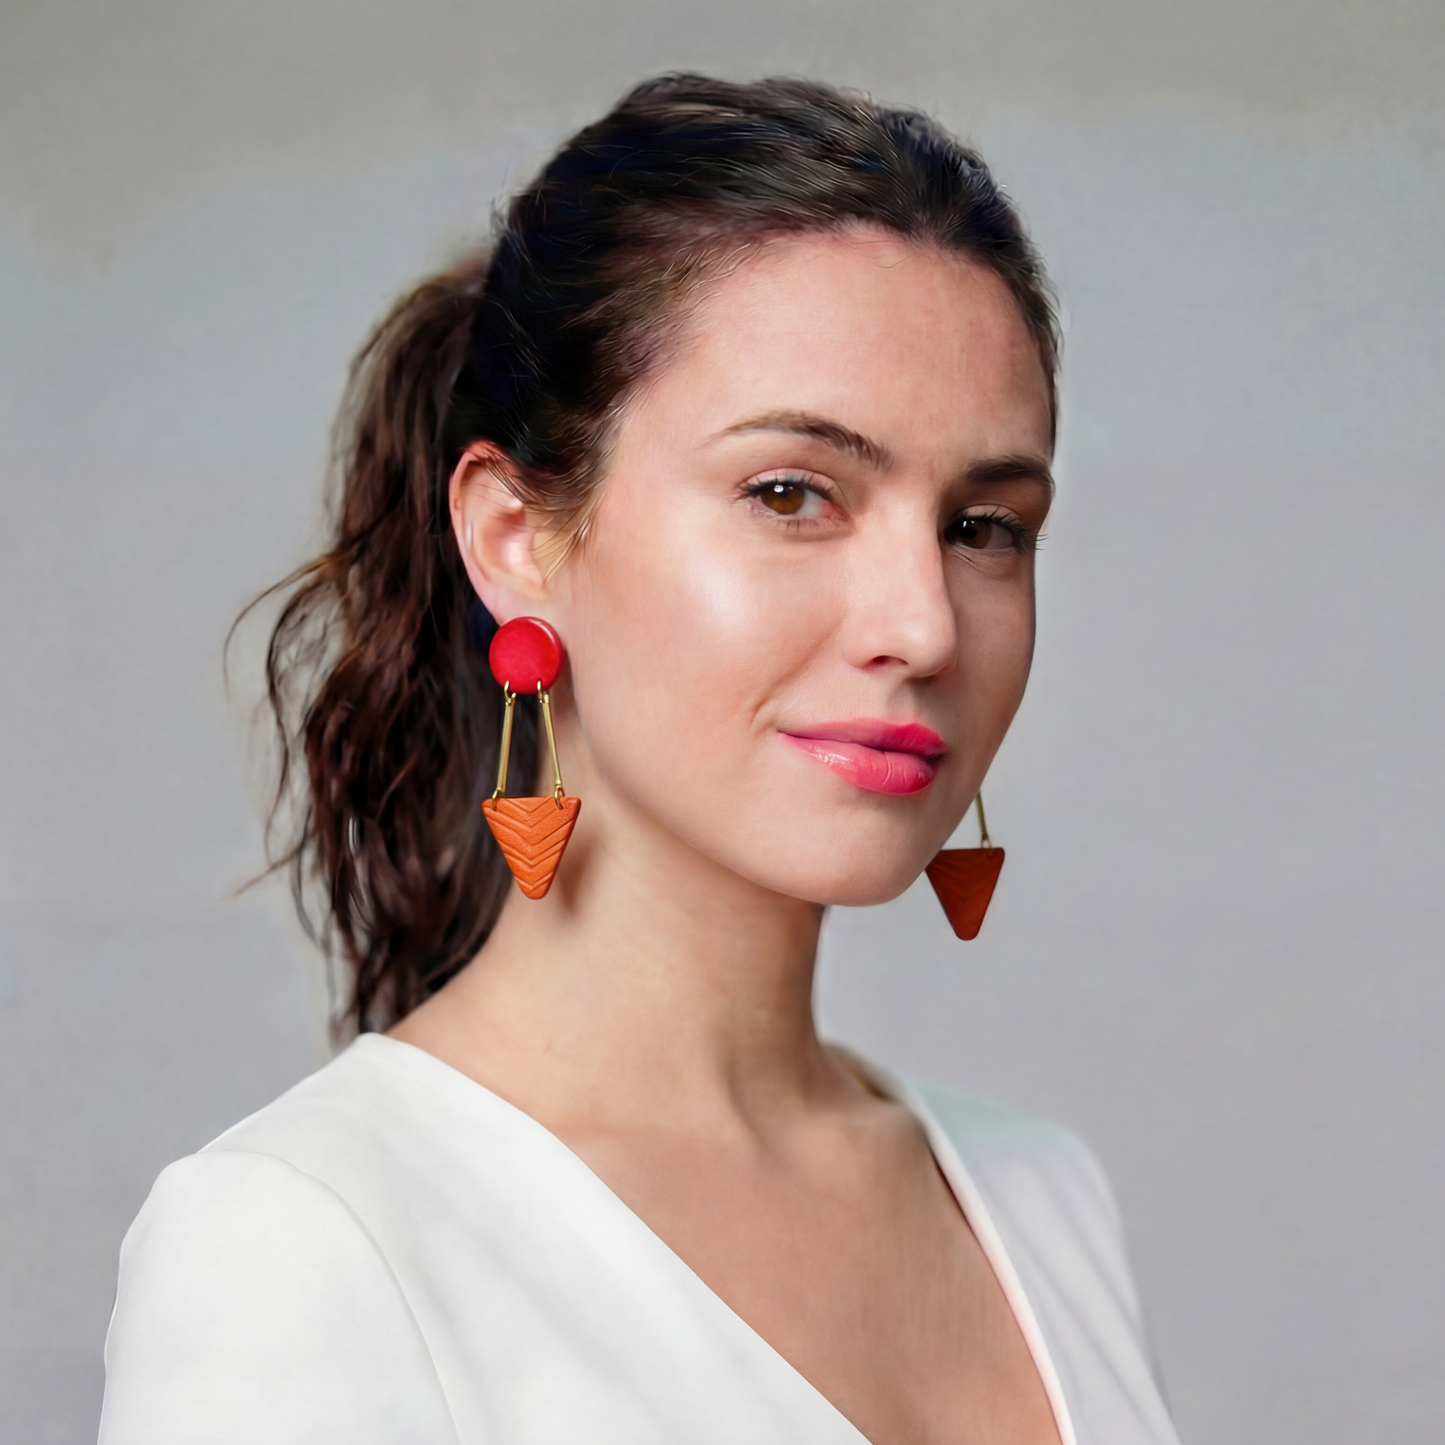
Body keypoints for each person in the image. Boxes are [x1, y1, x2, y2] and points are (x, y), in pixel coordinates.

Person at [98, 74, 1180, 1445]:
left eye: (985, 527)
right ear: (516, 538)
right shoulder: (304, 1243)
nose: (922, 624)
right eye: (792, 493)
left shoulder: (1041, 1198)